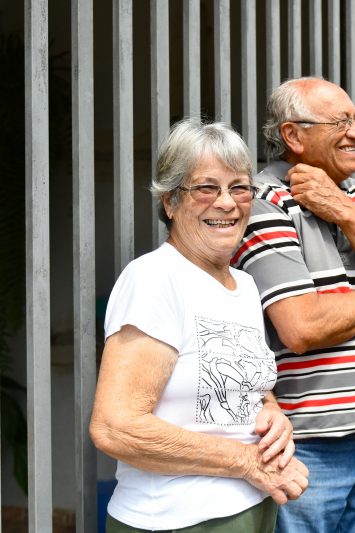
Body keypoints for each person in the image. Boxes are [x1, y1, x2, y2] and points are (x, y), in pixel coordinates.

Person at [232, 77, 355, 532]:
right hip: (301, 448)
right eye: (340, 122)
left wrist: (343, 210)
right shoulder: (264, 203)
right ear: (293, 135)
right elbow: (301, 327)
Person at [90, 118, 308, 532]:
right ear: (171, 202)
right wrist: (248, 462)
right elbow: (115, 427)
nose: (226, 203)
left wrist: (273, 415)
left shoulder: (244, 285)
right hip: (176, 520)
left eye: (239, 188)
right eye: (206, 188)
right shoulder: (154, 279)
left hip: (253, 509)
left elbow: (243, 388)